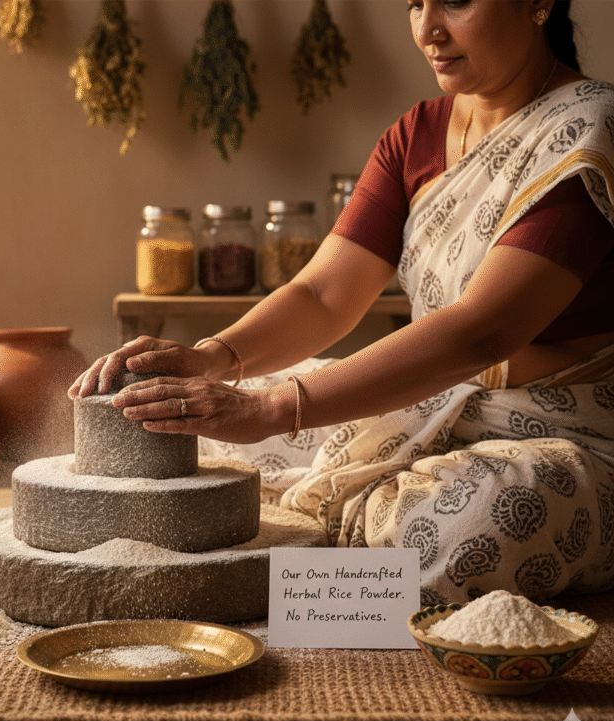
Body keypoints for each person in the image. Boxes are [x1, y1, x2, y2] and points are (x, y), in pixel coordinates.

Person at [70, 0, 614, 605]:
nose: (427, 29)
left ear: (539, 2)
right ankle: (334, 589)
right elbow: (324, 294)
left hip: (564, 435)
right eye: (414, 3)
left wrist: (274, 409)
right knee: (198, 438)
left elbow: (479, 333)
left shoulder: (590, 130)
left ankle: (294, 588)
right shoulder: (417, 133)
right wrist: (212, 362)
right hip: (426, 402)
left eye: (456, 2)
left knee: (480, 525)